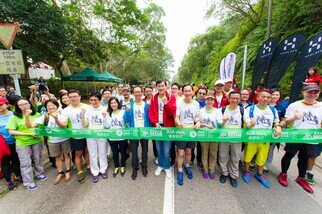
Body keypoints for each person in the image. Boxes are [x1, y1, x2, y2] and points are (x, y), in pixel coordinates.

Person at [278, 85, 322, 194]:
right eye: (310, 92)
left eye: (315, 92)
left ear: (319, 93)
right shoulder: (295, 105)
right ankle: (283, 174)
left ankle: (301, 178)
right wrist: (294, 118)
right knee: (289, 155)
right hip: (296, 135)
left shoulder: (321, 106)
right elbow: (285, 122)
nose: (313, 94)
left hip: (312, 137)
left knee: (304, 158)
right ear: (304, 93)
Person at [26, 99, 72, 185]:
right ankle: (60, 173)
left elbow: (64, 126)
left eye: (53, 105)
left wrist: (57, 120)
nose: (51, 107)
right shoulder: (45, 116)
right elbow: (30, 126)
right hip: (52, 141)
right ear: (46, 107)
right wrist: (27, 116)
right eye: (48, 105)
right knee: (57, 157)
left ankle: (68, 171)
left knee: (67, 155)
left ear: (56, 105)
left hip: (65, 138)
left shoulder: (62, 113)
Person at [242, 90, 282, 188]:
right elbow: (246, 124)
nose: (265, 99)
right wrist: (250, 124)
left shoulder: (273, 110)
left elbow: (276, 122)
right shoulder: (250, 109)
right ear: (258, 97)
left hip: (265, 140)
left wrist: (278, 126)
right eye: (263, 96)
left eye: (268, 97)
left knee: (262, 158)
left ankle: (259, 174)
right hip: (252, 138)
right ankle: (246, 172)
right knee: (248, 156)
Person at [6, 98, 47, 190]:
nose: (24, 105)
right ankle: (28, 182)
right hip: (22, 142)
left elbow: (41, 127)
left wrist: (39, 133)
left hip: (37, 140)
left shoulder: (37, 114)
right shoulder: (14, 117)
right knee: (25, 162)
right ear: (17, 107)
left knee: (38, 158)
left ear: (30, 104)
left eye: (26, 103)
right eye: (21, 104)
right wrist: (29, 133)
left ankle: (39, 173)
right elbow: (11, 131)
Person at [60, 89, 90, 183]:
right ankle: (80, 171)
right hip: (76, 135)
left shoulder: (87, 107)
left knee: (87, 151)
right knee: (78, 154)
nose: (73, 98)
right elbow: (64, 124)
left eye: (75, 96)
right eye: (71, 97)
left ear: (80, 96)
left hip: (89, 133)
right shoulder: (66, 110)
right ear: (68, 98)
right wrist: (57, 120)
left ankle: (90, 166)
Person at [149, 80, 176, 179]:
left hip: (167, 126)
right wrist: (155, 122)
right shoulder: (154, 98)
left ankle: (167, 166)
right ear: (156, 87)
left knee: (166, 150)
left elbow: (172, 113)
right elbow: (151, 113)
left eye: (162, 86)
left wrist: (166, 104)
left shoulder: (171, 97)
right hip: (157, 126)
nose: (160, 88)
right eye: (158, 86)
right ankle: (160, 165)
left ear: (166, 86)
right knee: (159, 149)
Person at [175, 84, 201, 186]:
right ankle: (180, 171)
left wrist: (198, 122)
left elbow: (196, 116)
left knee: (189, 152)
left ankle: (187, 166)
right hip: (181, 131)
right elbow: (176, 116)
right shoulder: (179, 102)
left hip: (191, 131)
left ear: (192, 92)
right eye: (185, 91)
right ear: (182, 92)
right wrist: (178, 122)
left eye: (189, 91)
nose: (187, 93)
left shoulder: (196, 104)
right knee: (181, 153)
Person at [81, 92, 109, 183]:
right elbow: (85, 125)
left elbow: (108, 125)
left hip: (102, 135)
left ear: (100, 100)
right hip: (91, 135)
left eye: (95, 100)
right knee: (92, 154)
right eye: (92, 100)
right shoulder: (87, 110)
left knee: (102, 152)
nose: (93, 102)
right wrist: (82, 115)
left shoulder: (105, 109)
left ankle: (103, 169)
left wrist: (105, 117)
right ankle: (95, 172)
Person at [124, 86, 150, 180]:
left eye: (139, 92)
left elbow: (149, 118)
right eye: (136, 92)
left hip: (144, 131)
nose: (138, 94)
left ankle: (144, 166)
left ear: (142, 92)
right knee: (134, 151)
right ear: (133, 93)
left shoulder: (146, 105)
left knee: (145, 150)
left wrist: (149, 129)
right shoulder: (129, 105)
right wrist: (127, 113)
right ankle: (135, 168)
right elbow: (126, 118)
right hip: (134, 131)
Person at [219, 91, 244, 187]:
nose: (234, 100)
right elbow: (218, 124)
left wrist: (249, 124)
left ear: (239, 99)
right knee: (223, 156)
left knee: (236, 157)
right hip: (224, 137)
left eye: (237, 98)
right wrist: (222, 122)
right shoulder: (223, 109)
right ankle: (224, 173)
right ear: (228, 99)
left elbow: (246, 123)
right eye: (232, 98)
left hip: (237, 138)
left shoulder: (242, 110)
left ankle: (233, 176)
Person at [199, 93, 222, 180]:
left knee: (213, 153)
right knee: (204, 153)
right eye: (208, 99)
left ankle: (211, 170)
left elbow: (220, 123)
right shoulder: (201, 111)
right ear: (205, 101)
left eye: (211, 100)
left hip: (214, 136)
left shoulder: (217, 111)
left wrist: (222, 121)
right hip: (204, 135)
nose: (209, 101)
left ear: (214, 101)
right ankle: (205, 170)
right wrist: (206, 125)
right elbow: (198, 123)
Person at [0, 97, 21, 190]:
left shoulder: (14, 114)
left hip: (15, 141)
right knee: (5, 163)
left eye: (1, 104)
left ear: (7, 104)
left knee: (16, 159)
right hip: (3, 145)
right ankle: (9, 181)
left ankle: (17, 175)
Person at [263, 88, 286, 174]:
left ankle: (266, 164)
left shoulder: (281, 108)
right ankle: (254, 161)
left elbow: (284, 119)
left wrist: (280, 125)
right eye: (273, 94)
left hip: (275, 131)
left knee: (270, 149)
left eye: (277, 95)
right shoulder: (263, 103)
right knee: (259, 145)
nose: (275, 96)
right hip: (263, 130)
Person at [107, 97, 127, 177]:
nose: (113, 104)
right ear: (109, 104)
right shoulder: (108, 113)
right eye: (111, 103)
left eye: (115, 103)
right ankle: (116, 166)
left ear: (118, 103)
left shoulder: (123, 112)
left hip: (122, 136)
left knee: (123, 151)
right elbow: (107, 125)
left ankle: (122, 166)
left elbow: (126, 123)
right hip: (112, 137)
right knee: (114, 152)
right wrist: (105, 117)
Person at [191, 86, 208, 169]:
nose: (201, 95)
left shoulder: (208, 103)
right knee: (191, 144)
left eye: (204, 94)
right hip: (193, 126)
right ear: (196, 94)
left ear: (206, 95)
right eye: (200, 93)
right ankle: (191, 159)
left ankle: (199, 161)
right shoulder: (192, 102)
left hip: (203, 126)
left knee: (201, 146)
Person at [143, 85, 158, 165]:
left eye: (150, 91)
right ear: (144, 92)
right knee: (144, 141)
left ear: (152, 91)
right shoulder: (142, 101)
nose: (148, 92)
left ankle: (156, 156)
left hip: (154, 123)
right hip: (145, 124)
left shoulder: (156, 99)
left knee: (154, 141)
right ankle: (145, 155)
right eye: (147, 91)